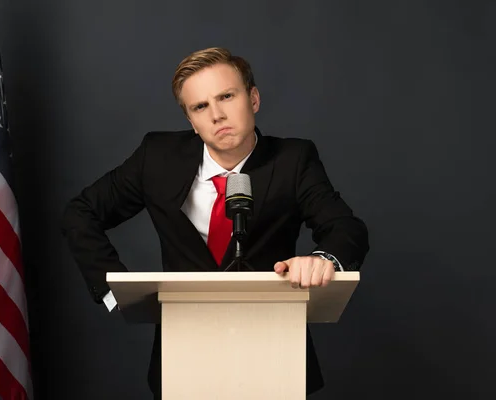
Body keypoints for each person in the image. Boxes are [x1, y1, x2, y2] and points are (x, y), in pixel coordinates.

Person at [61, 47, 370, 399]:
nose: (217, 115)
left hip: (274, 351)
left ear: (253, 99)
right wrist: (113, 289)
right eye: (200, 107)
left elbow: (347, 228)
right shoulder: (156, 157)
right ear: (191, 121)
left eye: (226, 96)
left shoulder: (294, 160)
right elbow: (80, 212)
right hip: (183, 354)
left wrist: (323, 260)